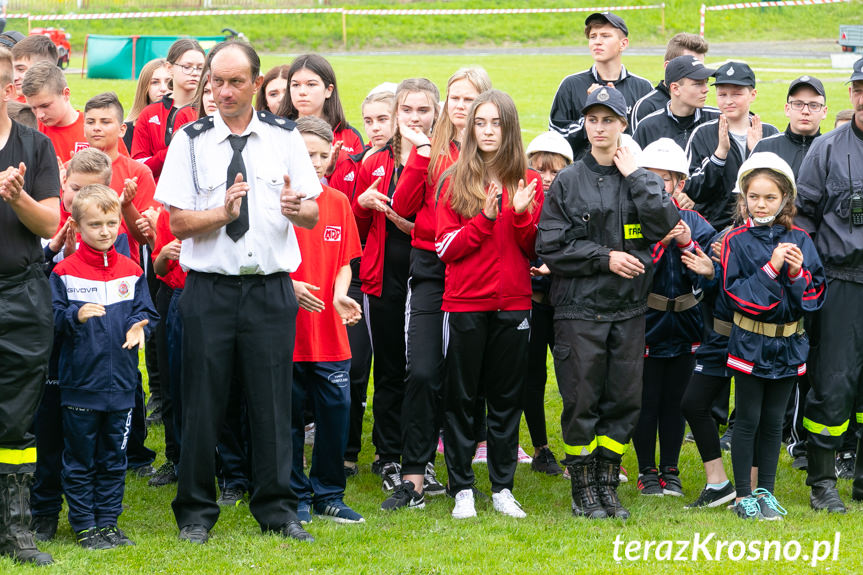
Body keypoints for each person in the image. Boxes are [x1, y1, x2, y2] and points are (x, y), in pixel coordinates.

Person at [155, 39, 320, 544]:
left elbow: (312, 212)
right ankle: (196, 514)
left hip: (270, 290)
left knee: (273, 404)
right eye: (215, 81)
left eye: (233, 82)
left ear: (254, 84)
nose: (222, 91)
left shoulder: (284, 137)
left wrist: (298, 209)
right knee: (202, 403)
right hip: (209, 291)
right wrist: (222, 214)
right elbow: (178, 222)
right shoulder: (190, 140)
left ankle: (276, 509)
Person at [536, 86, 679, 520]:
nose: (600, 128)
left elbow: (664, 225)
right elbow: (551, 245)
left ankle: (606, 484)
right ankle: (583, 488)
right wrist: (605, 257)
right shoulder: (567, 180)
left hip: (630, 311)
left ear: (623, 126)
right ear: (585, 124)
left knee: (622, 400)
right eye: (593, 120)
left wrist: (637, 176)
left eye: (609, 121)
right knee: (582, 399)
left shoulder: (641, 178)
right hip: (579, 310)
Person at [382, 68, 490, 509]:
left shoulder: (492, 149)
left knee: (466, 379)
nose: (461, 106)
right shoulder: (433, 149)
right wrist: (419, 153)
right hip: (430, 269)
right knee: (423, 371)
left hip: (476, 269)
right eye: (455, 98)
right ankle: (414, 477)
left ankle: (463, 477)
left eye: (470, 99)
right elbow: (403, 205)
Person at [436, 89, 543, 519]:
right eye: (480, 122)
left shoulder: (529, 180)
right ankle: (462, 487)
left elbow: (534, 248)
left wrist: (518, 215)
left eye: (495, 122)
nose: (487, 130)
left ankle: (501, 487)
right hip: (463, 304)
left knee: (506, 398)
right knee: (462, 398)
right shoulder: (451, 178)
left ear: (509, 127)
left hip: (513, 304)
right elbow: (445, 247)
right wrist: (485, 218)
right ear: (468, 128)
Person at [50, 184, 158, 547]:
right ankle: (84, 525)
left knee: (114, 459)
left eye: (111, 223)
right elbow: (50, 317)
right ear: (77, 228)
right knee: (80, 460)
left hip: (123, 387)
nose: (105, 231)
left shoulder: (132, 270)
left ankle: (108, 523)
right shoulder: (64, 272)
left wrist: (140, 325)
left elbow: (147, 311)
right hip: (81, 384)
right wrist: (74, 315)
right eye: (95, 224)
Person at [721, 152, 826, 520]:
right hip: (750, 343)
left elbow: (813, 300)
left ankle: (766, 491)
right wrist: (772, 267)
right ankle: (742, 496)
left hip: (790, 346)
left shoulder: (801, 239)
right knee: (747, 420)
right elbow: (737, 296)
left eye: (770, 197)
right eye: (754, 196)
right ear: (743, 198)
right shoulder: (735, 240)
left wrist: (798, 275)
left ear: (785, 200)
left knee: (773, 423)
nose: (761, 204)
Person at [352, 78, 438, 491]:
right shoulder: (373, 161)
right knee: (388, 370)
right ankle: (388, 456)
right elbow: (357, 226)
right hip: (383, 278)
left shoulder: (444, 159)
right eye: (408, 110)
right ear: (398, 112)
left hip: (430, 276)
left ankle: (420, 454)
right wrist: (362, 205)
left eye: (423, 110)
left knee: (424, 370)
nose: (415, 117)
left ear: (435, 112)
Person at [0, 45, 59, 567]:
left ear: (9, 89)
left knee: (16, 418)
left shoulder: (35, 147)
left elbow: (50, 226)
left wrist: (16, 196)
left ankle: (17, 531)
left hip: (20, 293)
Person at [795, 58, 863, 514]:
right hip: (842, 282)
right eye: (859, 89)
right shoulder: (828, 149)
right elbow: (802, 217)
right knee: (833, 381)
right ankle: (822, 481)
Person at [289, 115, 364, 524]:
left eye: (321, 154)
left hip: (330, 333)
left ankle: (329, 493)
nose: (315, 162)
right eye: (306, 154)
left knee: (336, 413)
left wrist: (339, 293)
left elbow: (345, 262)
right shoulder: (277, 203)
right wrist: (290, 287)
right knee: (289, 420)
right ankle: (295, 494)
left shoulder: (337, 203)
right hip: (288, 332)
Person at [631, 139, 715, 498]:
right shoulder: (633, 220)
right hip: (647, 323)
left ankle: (671, 468)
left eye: (663, 179)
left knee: (676, 401)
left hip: (686, 325)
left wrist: (687, 246)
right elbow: (630, 275)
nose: (656, 187)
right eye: (648, 178)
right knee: (647, 399)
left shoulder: (697, 223)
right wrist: (659, 245)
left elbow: (710, 279)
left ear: (679, 183)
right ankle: (647, 470)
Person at [333, 85, 394, 476]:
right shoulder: (350, 163)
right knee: (353, 368)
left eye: (383, 119)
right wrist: (360, 204)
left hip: (393, 275)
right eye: (368, 120)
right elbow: (342, 223)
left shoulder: (408, 160)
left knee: (392, 369)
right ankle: (346, 450)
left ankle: (387, 452)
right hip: (355, 275)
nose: (374, 128)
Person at [522, 130, 571, 476]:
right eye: (541, 170)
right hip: (532, 300)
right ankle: (540, 447)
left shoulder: (575, 200)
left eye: (555, 171)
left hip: (566, 303)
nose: (549, 179)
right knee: (532, 376)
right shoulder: (523, 197)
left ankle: (578, 449)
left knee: (572, 377)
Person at [685, 61, 779, 230]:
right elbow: (693, 189)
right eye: (722, 95)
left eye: (736, 94)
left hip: (762, 229)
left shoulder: (770, 134)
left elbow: (779, 186)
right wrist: (719, 155)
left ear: (753, 94)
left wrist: (756, 152)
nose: (728, 101)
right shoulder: (703, 133)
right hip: (713, 231)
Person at [549, 12, 651, 160]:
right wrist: (591, 112)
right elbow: (556, 139)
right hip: (582, 176)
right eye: (593, 36)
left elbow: (647, 140)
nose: (597, 41)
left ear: (623, 44)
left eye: (605, 36)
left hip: (628, 176)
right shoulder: (571, 84)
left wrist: (615, 108)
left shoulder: (643, 87)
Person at [22, 61, 129, 163]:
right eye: (34, 108)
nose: (40, 115)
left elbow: (123, 169)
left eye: (45, 106)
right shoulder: (31, 131)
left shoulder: (98, 127)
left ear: (66, 94)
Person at [132, 39, 204, 182]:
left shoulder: (210, 110)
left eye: (200, 67)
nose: (195, 73)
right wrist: (173, 150)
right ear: (169, 68)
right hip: (157, 197)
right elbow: (138, 167)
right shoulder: (150, 113)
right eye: (187, 67)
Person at [277, 54, 364, 156]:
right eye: (295, 85)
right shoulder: (277, 130)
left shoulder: (351, 136)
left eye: (311, 84)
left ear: (329, 90)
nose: (302, 92)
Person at [633, 55, 718, 150]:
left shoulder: (717, 120)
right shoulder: (648, 126)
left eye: (706, 82)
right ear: (675, 88)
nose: (706, 89)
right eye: (698, 84)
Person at [631, 32, 710, 132]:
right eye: (689, 66)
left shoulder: (706, 111)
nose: (705, 89)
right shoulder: (647, 107)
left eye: (700, 67)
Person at [752, 75, 827, 177]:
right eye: (798, 104)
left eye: (813, 105)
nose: (805, 111)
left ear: (824, 112)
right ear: (787, 109)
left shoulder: (832, 151)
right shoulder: (765, 147)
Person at [123, 58, 171, 151]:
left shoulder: (187, 120)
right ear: (145, 87)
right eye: (155, 82)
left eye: (169, 82)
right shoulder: (128, 129)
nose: (163, 88)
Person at [11, 35, 57, 102]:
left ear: (43, 70)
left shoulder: (59, 109)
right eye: (12, 69)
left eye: (21, 69)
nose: (14, 77)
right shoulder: (10, 104)